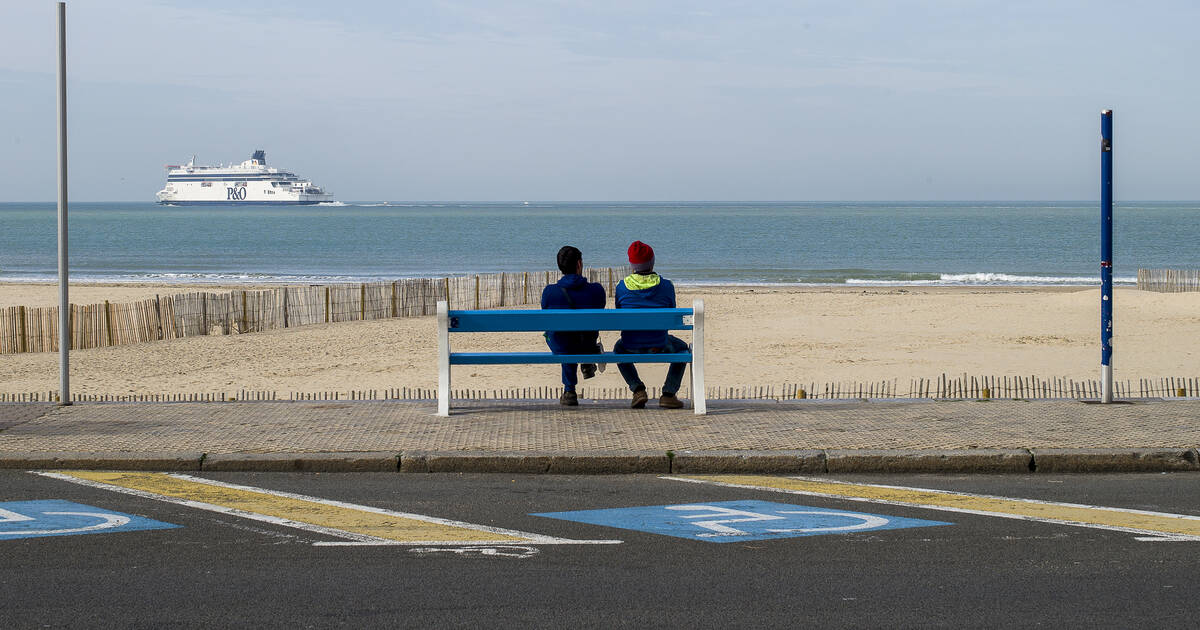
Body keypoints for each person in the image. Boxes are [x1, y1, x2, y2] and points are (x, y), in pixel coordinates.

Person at [614, 240, 687, 409]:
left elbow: (620, 313)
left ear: (631, 265)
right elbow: (672, 314)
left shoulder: (622, 287)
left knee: (618, 349)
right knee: (683, 349)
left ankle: (637, 389)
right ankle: (669, 394)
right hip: (659, 344)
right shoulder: (666, 286)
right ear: (652, 261)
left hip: (630, 345)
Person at [541, 245, 606, 406]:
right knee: (574, 336)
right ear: (579, 264)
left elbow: (545, 313)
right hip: (586, 343)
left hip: (562, 345)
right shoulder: (596, 291)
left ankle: (569, 390)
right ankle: (587, 359)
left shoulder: (550, 292)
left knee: (560, 337)